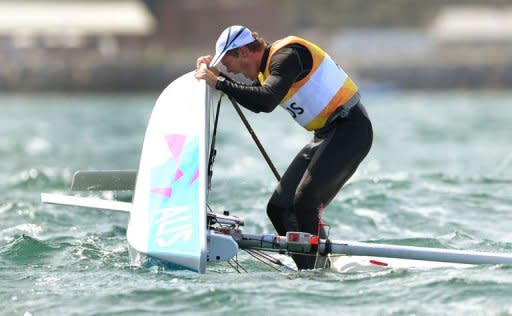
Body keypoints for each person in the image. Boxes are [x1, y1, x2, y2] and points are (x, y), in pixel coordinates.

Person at [195, 25, 373, 270]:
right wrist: (219, 79)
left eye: (229, 64)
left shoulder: (287, 56)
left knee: (305, 203)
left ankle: (314, 278)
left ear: (244, 52)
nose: (232, 71)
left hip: (351, 129)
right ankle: (314, 266)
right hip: (326, 134)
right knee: (279, 208)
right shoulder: (267, 69)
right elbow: (256, 93)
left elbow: (265, 101)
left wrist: (219, 82)